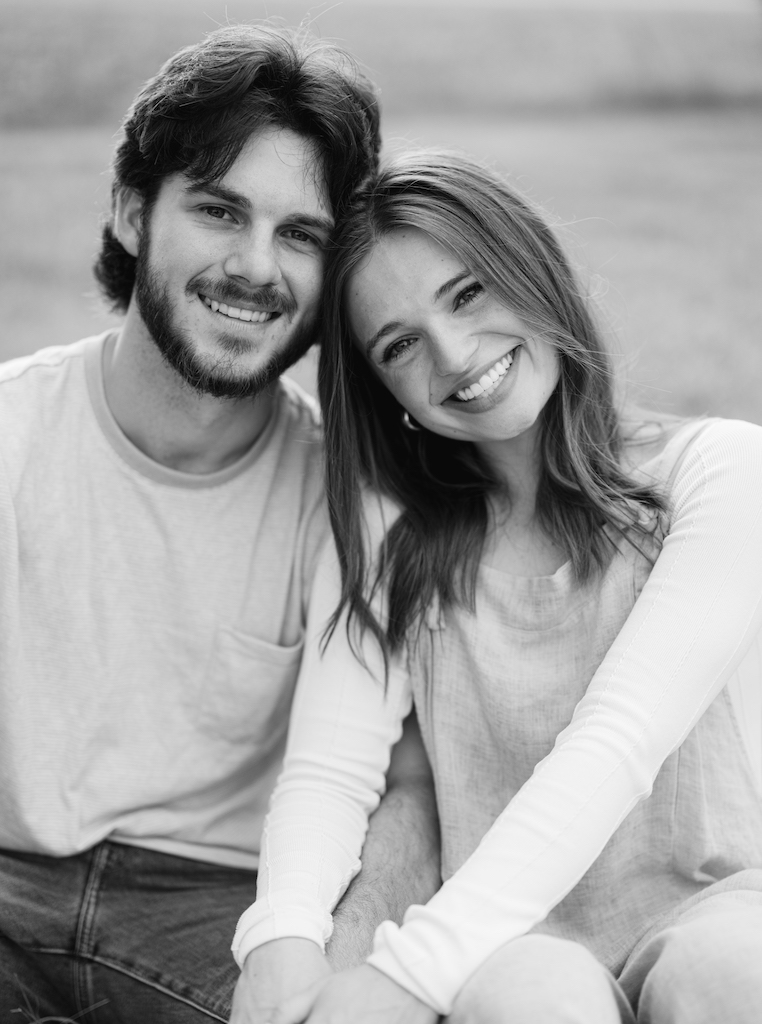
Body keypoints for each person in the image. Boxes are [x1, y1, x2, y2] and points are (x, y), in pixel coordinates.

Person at [232, 151, 762, 1024]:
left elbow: (617, 741)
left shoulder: (715, 473)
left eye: (468, 293)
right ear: (385, 389)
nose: (453, 353)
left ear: (533, 271)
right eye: (399, 345)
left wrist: (404, 977)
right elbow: (331, 770)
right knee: (536, 1003)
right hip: (503, 943)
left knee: (731, 974)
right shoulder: (393, 530)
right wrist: (280, 949)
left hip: (708, 905)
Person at [0, 28, 441, 1024]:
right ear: (129, 213)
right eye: (219, 211)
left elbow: (407, 784)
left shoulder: (354, 493)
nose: (256, 266)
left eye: (301, 234)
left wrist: (335, 966)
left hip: (218, 909)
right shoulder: (13, 437)